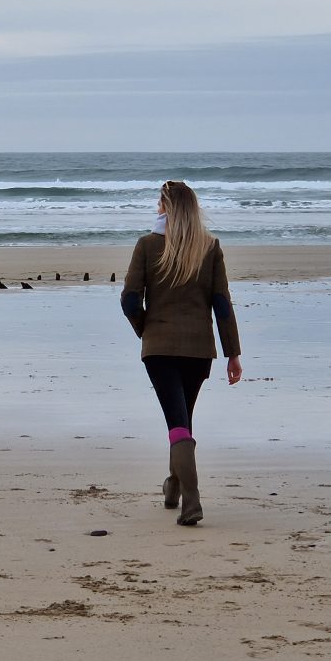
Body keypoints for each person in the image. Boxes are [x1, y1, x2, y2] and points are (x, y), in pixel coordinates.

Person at [121, 181, 242, 526]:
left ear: (164, 207)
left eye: (159, 203)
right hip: (199, 349)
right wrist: (233, 353)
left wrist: (146, 328)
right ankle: (173, 485)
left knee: (177, 423)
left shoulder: (147, 245)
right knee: (183, 419)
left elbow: (129, 300)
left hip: (159, 349)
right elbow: (222, 306)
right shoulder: (210, 247)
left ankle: (191, 501)